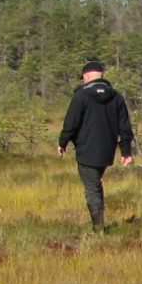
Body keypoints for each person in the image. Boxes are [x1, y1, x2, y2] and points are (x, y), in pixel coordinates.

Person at [57, 60, 135, 229]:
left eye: (83, 78)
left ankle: (98, 228)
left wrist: (62, 143)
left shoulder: (81, 96)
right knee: (95, 184)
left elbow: (70, 123)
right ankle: (99, 224)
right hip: (107, 151)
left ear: (86, 76)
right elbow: (125, 128)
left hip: (86, 150)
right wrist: (126, 152)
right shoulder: (116, 97)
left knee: (91, 187)